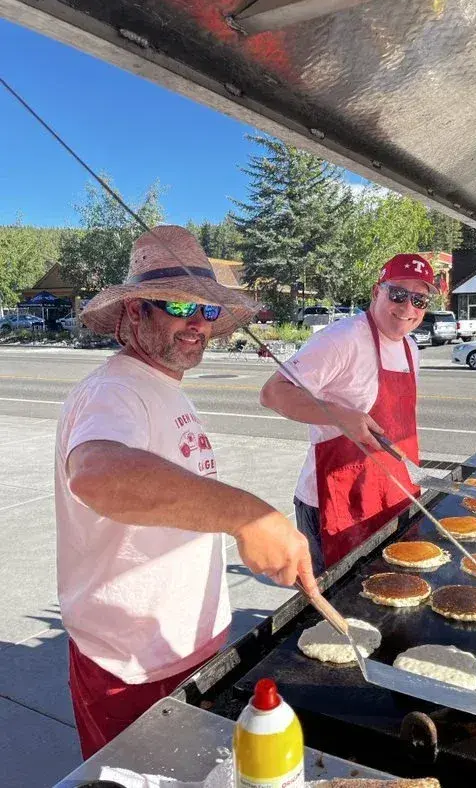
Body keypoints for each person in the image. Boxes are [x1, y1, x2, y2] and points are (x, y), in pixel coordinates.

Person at [55, 225, 316, 759]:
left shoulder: (163, 387)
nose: (197, 322)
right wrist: (249, 516)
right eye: (178, 305)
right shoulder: (115, 390)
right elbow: (96, 473)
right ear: (134, 312)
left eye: (208, 310)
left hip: (188, 646)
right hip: (131, 662)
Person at [260, 253, 439, 575]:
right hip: (337, 501)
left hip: (393, 494)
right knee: (338, 609)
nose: (408, 308)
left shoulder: (410, 347)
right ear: (376, 292)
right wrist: (339, 415)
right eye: (397, 294)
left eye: (419, 299)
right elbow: (273, 393)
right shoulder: (342, 338)